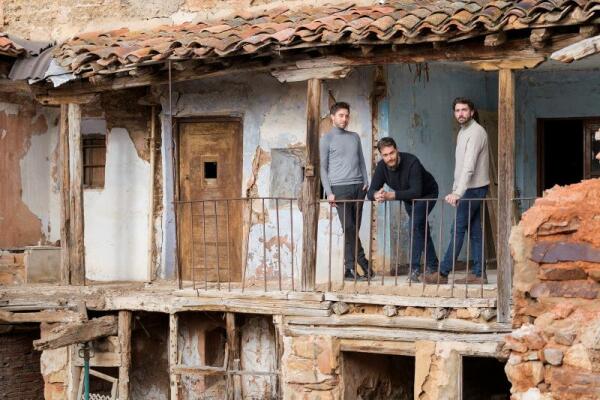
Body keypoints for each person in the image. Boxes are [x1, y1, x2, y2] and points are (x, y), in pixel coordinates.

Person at [424, 98, 490, 284]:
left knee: (457, 229)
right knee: (475, 231)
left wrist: (458, 193)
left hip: (474, 189)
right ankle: (479, 274)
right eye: (457, 110)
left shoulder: (476, 132)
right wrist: (456, 189)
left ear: (472, 111)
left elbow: (469, 166)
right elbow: (460, 166)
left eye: (464, 110)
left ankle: (443, 273)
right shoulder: (463, 132)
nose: (460, 113)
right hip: (469, 189)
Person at [367, 137, 439, 282]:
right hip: (407, 197)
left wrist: (390, 195)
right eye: (385, 155)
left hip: (426, 194)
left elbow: (416, 191)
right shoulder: (381, 166)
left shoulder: (412, 162)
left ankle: (414, 270)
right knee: (420, 228)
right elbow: (370, 192)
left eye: (392, 153)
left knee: (414, 226)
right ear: (381, 155)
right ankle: (433, 264)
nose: (390, 158)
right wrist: (377, 194)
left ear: (397, 150)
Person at [320, 102, 373, 280]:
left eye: (347, 115)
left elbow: (362, 161)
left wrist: (366, 180)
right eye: (341, 115)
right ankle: (361, 264)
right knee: (349, 227)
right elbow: (322, 168)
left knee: (354, 229)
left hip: (359, 187)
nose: (344, 119)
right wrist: (328, 192)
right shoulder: (326, 139)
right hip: (339, 189)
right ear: (332, 117)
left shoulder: (355, 137)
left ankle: (350, 270)